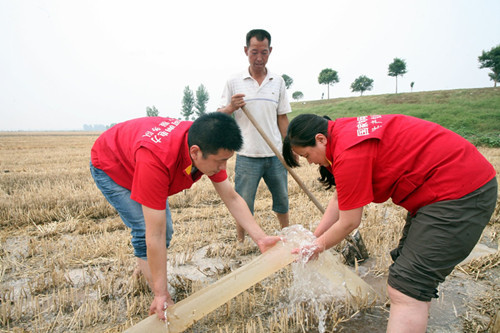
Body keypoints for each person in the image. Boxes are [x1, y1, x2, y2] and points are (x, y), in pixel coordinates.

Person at [282, 113, 497, 332]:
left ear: (320, 139)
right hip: (441, 189)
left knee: (408, 286)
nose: (310, 162)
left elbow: (348, 222)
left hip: (459, 192)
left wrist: (316, 247)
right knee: (407, 276)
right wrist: (314, 238)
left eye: (307, 155)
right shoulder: (343, 133)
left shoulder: (348, 152)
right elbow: (340, 198)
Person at [90, 113, 281, 321]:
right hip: (112, 165)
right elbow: (155, 233)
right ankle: (156, 289)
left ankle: (143, 267)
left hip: (140, 154)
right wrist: (161, 293)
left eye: (227, 160)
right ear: (195, 152)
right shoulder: (156, 160)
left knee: (164, 231)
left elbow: (232, 198)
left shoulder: (206, 141)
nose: (223, 168)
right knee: (146, 229)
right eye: (220, 161)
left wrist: (261, 238)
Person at [218, 29, 292, 241]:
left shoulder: (277, 81)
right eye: (254, 52)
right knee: (243, 201)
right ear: (246, 51)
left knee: (282, 199)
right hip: (247, 154)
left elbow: (282, 118)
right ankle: (241, 240)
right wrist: (232, 106)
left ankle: (286, 235)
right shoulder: (234, 82)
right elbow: (219, 115)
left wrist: (289, 148)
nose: (259, 58)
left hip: (275, 154)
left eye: (264, 52)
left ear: (270, 51)